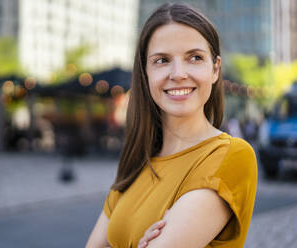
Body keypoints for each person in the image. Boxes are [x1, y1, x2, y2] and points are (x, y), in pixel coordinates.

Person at [86, 3, 257, 248]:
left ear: (215, 69)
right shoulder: (135, 165)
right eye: (162, 60)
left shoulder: (231, 156)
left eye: (195, 58)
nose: (178, 73)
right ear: (145, 73)